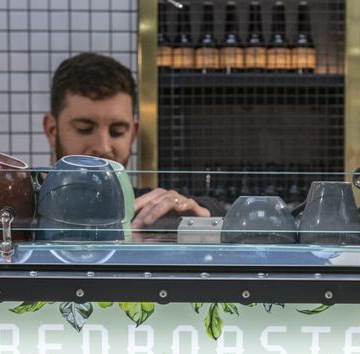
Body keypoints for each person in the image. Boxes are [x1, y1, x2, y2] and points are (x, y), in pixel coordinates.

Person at [43, 53, 226, 233]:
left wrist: (202, 216)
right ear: (52, 130)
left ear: (133, 133)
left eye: (117, 131)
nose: (103, 147)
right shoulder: (19, 212)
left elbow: (220, 211)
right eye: (85, 128)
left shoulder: (146, 210)